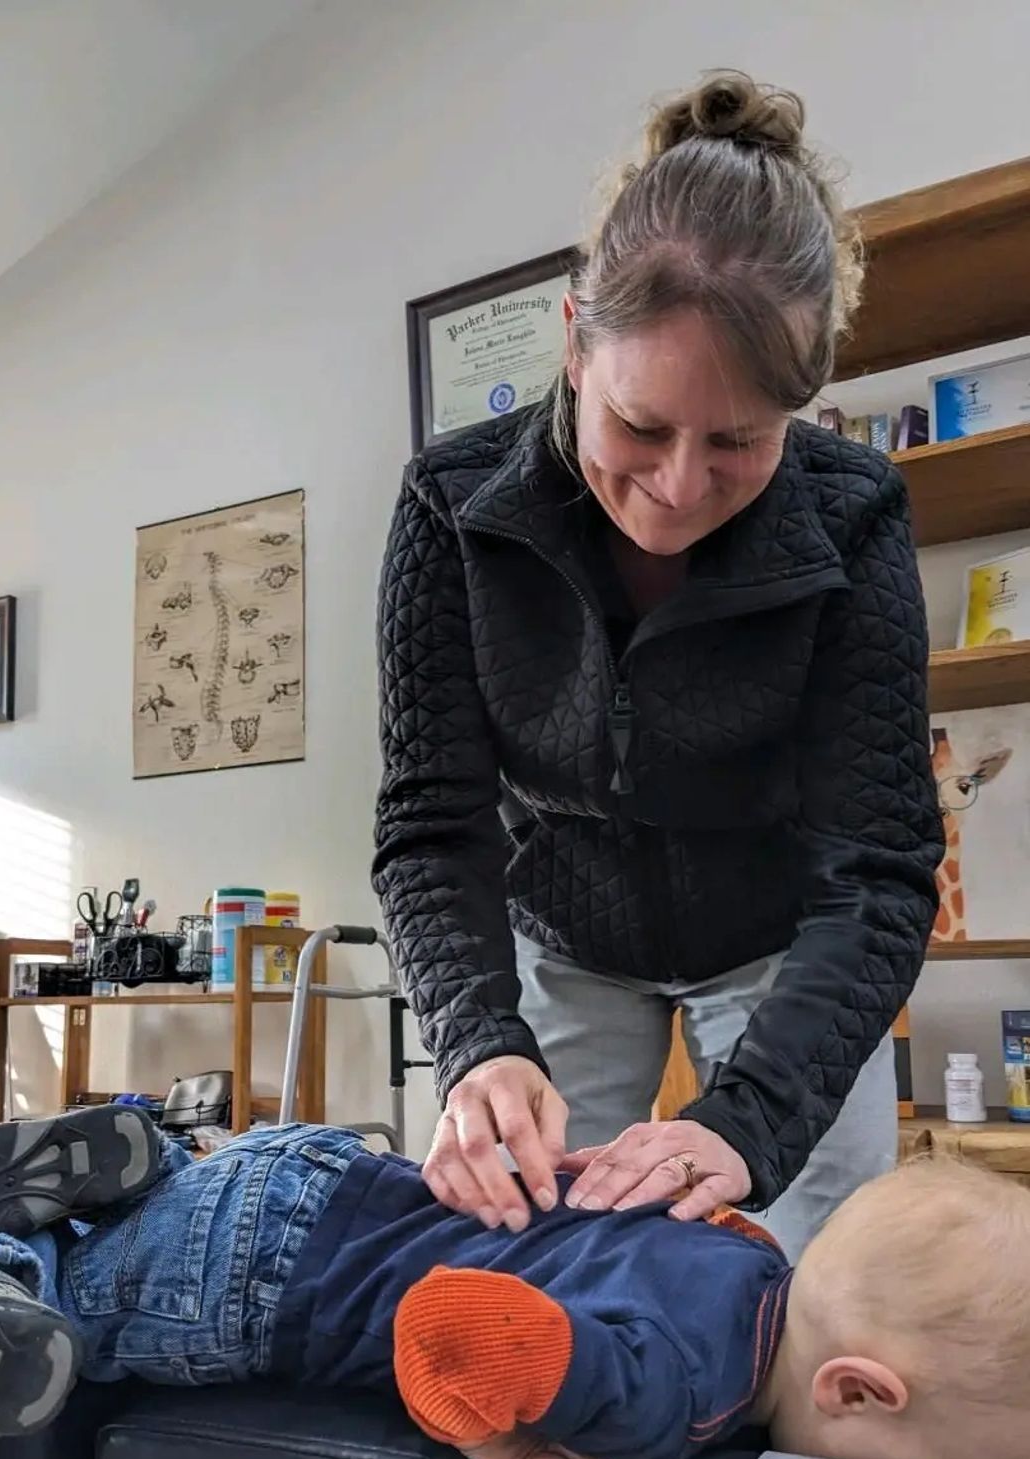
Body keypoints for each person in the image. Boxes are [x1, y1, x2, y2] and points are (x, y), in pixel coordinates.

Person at [373, 70, 944, 1261]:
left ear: (803, 406)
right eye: (641, 427)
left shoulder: (852, 519)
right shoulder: (452, 505)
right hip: (562, 939)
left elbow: (879, 871)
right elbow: (433, 830)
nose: (679, 488)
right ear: (576, 346)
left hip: (786, 945)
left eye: (738, 443)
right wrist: (479, 1044)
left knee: (815, 1272)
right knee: (526, 1259)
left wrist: (752, 1119)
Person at [0, 1108, 1027, 1459]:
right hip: (265, 1285)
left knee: (160, 1210)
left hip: (327, 1169)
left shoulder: (740, 1247)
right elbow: (446, 1324)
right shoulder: (675, 1391)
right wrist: (496, 1437)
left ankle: (121, 1156)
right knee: (76, 1319)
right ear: (858, 1392)